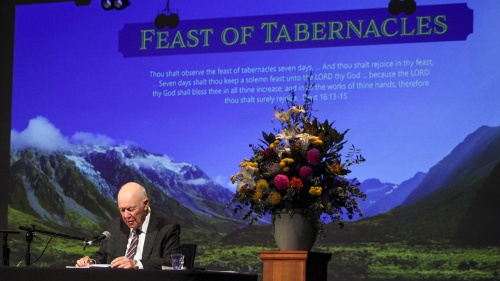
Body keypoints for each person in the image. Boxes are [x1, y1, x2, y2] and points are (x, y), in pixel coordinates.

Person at [75, 182, 181, 269]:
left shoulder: (167, 227)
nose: (126, 216)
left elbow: (173, 262)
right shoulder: (114, 226)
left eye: (131, 209)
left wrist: (136, 264)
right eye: (122, 210)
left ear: (146, 204)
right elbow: (103, 255)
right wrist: (91, 262)